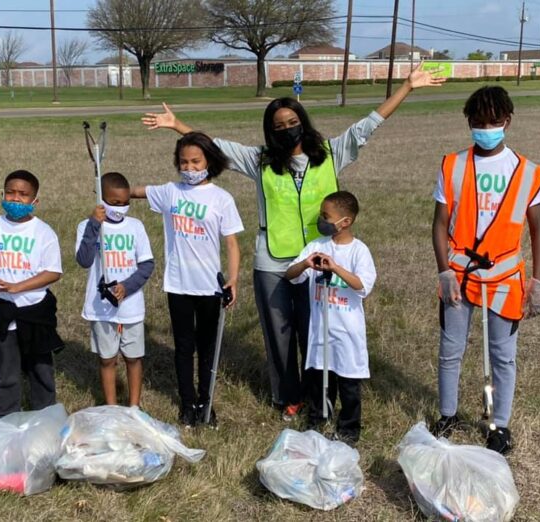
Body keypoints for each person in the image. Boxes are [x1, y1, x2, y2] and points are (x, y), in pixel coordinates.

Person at [141, 63, 445, 421]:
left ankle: (320, 396)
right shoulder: (262, 162)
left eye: (291, 122)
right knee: (280, 335)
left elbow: (371, 123)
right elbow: (216, 148)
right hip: (273, 262)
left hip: (318, 261)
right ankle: (288, 396)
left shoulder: (332, 154)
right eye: (278, 126)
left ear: (303, 120)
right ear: (270, 131)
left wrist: (407, 86)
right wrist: (178, 126)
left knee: (316, 332)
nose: (286, 129)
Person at [431, 86, 540, 454]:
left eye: (493, 122)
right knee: (451, 349)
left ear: (507, 122)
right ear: (468, 122)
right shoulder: (453, 165)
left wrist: (539, 282)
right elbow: (439, 224)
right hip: (459, 274)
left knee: (503, 354)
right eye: (478, 123)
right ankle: (448, 414)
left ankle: (499, 424)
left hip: (505, 277)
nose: (486, 129)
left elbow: (538, 230)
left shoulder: (526, 172)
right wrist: (443, 271)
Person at [130, 131, 243, 428]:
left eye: (196, 162)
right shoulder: (170, 192)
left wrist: (233, 279)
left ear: (209, 161)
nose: (189, 168)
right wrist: (110, 188)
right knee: (184, 346)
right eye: (184, 162)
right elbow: (133, 191)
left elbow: (231, 243)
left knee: (207, 347)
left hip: (209, 285)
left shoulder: (221, 198)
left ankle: (206, 401)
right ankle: (187, 401)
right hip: (178, 284)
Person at [0, 169, 63, 418]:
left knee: (40, 367)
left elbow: (53, 272)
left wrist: (18, 287)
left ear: (35, 201)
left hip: (34, 310)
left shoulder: (44, 233)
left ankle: (45, 416)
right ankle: (5, 418)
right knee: (5, 370)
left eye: (23, 194)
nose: (16, 198)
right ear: (2, 194)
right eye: (10, 192)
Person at [285, 191, 375, 444]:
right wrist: (305, 265)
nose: (322, 221)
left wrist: (336, 268)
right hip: (320, 329)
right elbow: (289, 275)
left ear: (345, 222)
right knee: (319, 378)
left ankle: (348, 428)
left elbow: (362, 286)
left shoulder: (359, 251)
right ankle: (317, 418)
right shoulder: (316, 246)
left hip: (347, 331)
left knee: (348, 382)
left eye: (326, 216)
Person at [76, 172, 154, 408]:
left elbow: (147, 264)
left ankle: (134, 405)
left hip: (130, 306)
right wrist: (93, 227)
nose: (120, 208)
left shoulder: (135, 227)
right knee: (107, 358)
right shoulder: (86, 226)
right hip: (101, 308)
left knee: (133, 357)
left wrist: (127, 287)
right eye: (114, 203)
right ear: (100, 198)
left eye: (124, 203)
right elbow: (84, 260)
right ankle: (111, 406)